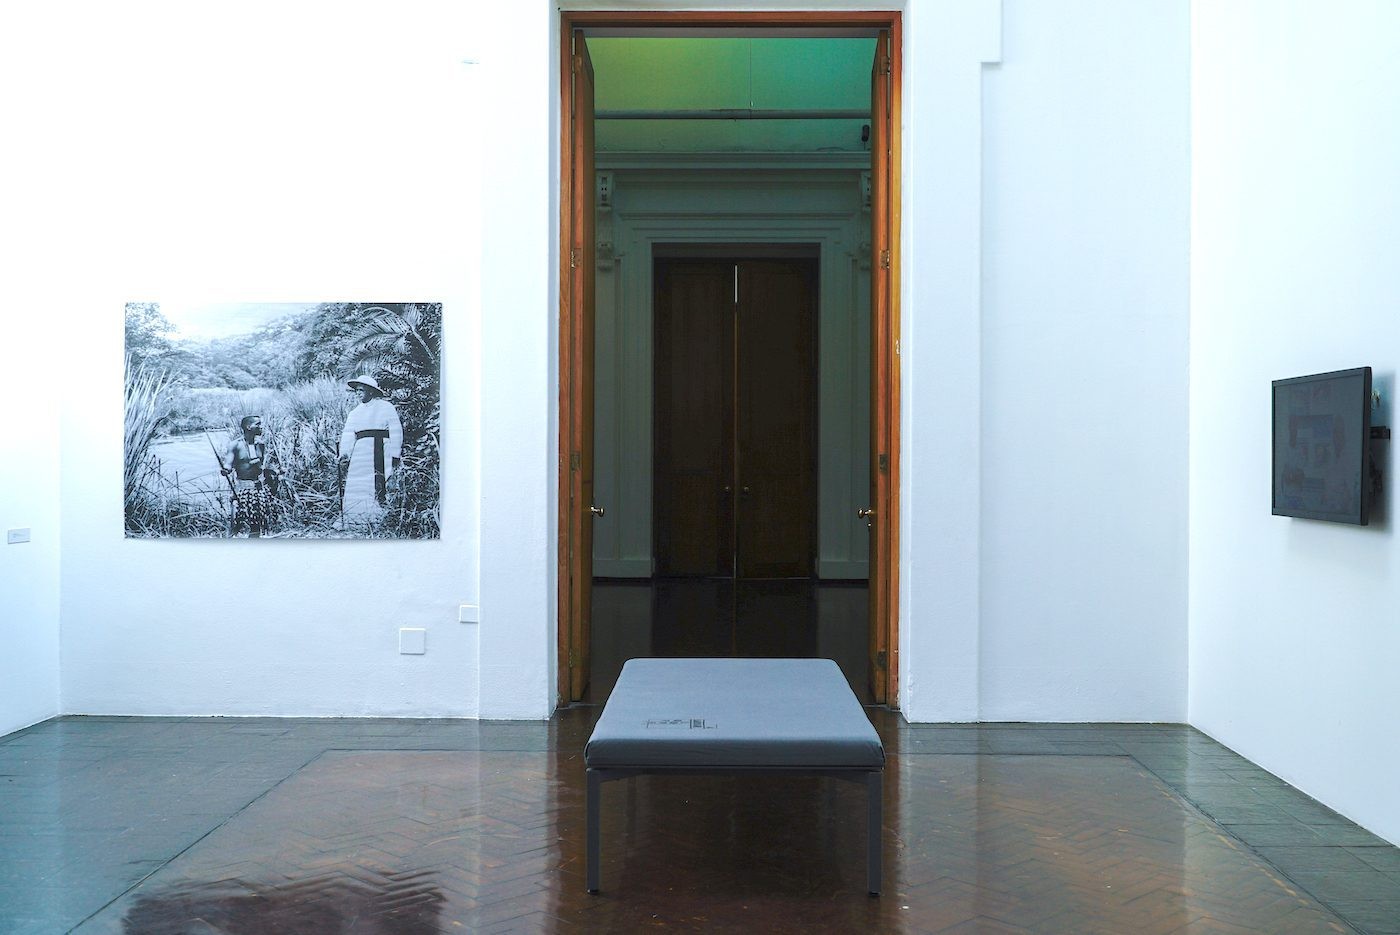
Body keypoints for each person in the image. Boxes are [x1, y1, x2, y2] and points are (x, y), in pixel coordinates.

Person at [338, 375, 403, 527]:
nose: (358, 393)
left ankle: (379, 517)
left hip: (381, 449)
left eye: (361, 390)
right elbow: (348, 435)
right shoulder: (354, 413)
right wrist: (344, 453)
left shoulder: (386, 407)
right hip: (360, 453)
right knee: (359, 483)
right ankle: (356, 518)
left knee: (379, 480)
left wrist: (395, 453)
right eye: (356, 390)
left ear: (371, 391)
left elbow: (396, 430)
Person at [221, 415, 279, 537]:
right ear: (248, 427)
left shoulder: (260, 444)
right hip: (242, 490)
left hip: (259, 489)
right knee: (237, 525)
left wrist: (275, 472)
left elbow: (260, 467)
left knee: (257, 524)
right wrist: (226, 470)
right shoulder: (235, 445)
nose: (261, 427)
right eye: (257, 424)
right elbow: (228, 464)